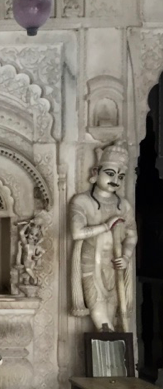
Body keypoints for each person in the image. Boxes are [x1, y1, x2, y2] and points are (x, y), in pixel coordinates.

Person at [70, 141, 136, 331]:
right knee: (101, 317)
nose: (115, 179)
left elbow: (132, 235)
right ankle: (111, 344)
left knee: (112, 311)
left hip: (114, 265)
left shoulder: (123, 205)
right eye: (110, 173)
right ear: (95, 172)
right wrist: (106, 226)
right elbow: (77, 232)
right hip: (91, 263)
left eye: (120, 176)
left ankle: (114, 347)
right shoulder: (82, 201)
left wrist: (126, 257)